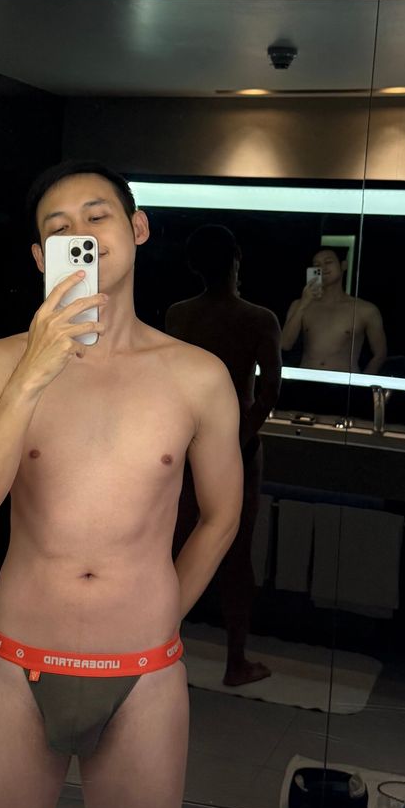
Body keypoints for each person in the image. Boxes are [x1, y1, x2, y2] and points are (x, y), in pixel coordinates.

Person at [0, 162, 243, 808]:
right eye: (60, 228)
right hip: (19, 665)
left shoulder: (197, 375)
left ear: (137, 228)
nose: (82, 233)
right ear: (40, 258)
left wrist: (164, 610)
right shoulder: (0, 364)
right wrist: (32, 376)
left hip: (144, 672)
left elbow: (222, 515)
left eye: (97, 216)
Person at [165, 224, 281, 686]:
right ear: (236, 259)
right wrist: (237, 442)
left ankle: (157, 644)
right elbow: (268, 392)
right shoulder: (258, 318)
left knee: (174, 545)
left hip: (186, 442)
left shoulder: (179, 315)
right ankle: (236, 661)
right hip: (237, 444)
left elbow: (170, 383)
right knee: (235, 552)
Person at [281, 246, 387, 374]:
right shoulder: (300, 304)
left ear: (343, 265)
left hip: (343, 382)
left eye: (328, 262)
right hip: (306, 379)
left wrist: (361, 383)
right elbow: (285, 344)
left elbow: (380, 354)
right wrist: (304, 303)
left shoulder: (365, 310)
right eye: (317, 265)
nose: (323, 268)